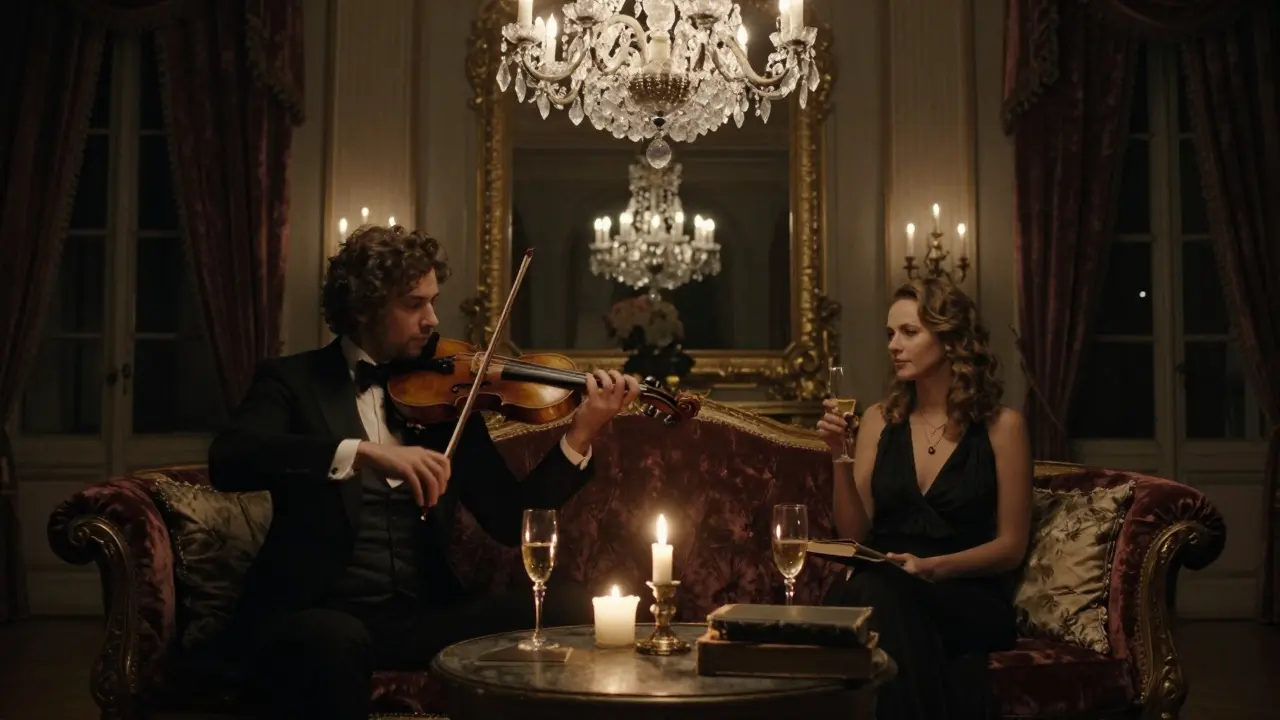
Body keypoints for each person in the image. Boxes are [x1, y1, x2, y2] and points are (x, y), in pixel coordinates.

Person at [208, 224, 641, 720]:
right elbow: (231, 458)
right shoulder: (292, 381)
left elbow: (510, 517)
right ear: (364, 307)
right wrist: (362, 452)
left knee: (570, 607)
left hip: (418, 618)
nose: (432, 319)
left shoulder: (445, 393)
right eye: (414, 304)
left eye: (433, 301)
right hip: (318, 611)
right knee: (335, 638)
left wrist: (581, 433)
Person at [816, 278, 1032, 720]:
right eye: (889, 334)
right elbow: (853, 532)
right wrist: (839, 455)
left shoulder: (1003, 427)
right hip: (886, 582)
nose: (893, 345)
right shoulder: (879, 419)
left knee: (875, 602)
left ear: (951, 340)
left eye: (909, 332)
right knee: (879, 594)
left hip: (964, 592)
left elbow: (1011, 547)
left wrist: (932, 567)